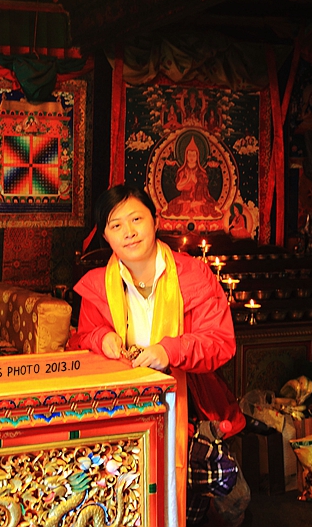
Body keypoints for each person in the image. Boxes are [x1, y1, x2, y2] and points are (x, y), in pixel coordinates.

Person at [67, 185, 245, 526]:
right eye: (116, 225)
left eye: (136, 219)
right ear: (105, 235)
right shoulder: (97, 285)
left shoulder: (194, 276)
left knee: (183, 497)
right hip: (123, 410)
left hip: (185, 405)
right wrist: (102, 338)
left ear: (155, 220)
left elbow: (220, 342)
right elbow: (83, 339)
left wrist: (169, 351)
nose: (129, 232)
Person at [163, 136, 222, 218]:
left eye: (194, 155)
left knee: (205, 208)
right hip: (184, 200)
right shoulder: (182, 171)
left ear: (197, 157)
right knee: (173, 206)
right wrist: (187, 179)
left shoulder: (201, 172)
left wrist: (198, 201)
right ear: (186, 156)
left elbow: (204, 192)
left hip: (199, 201)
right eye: (189, 155)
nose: (191, 157)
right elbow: (179, 187)